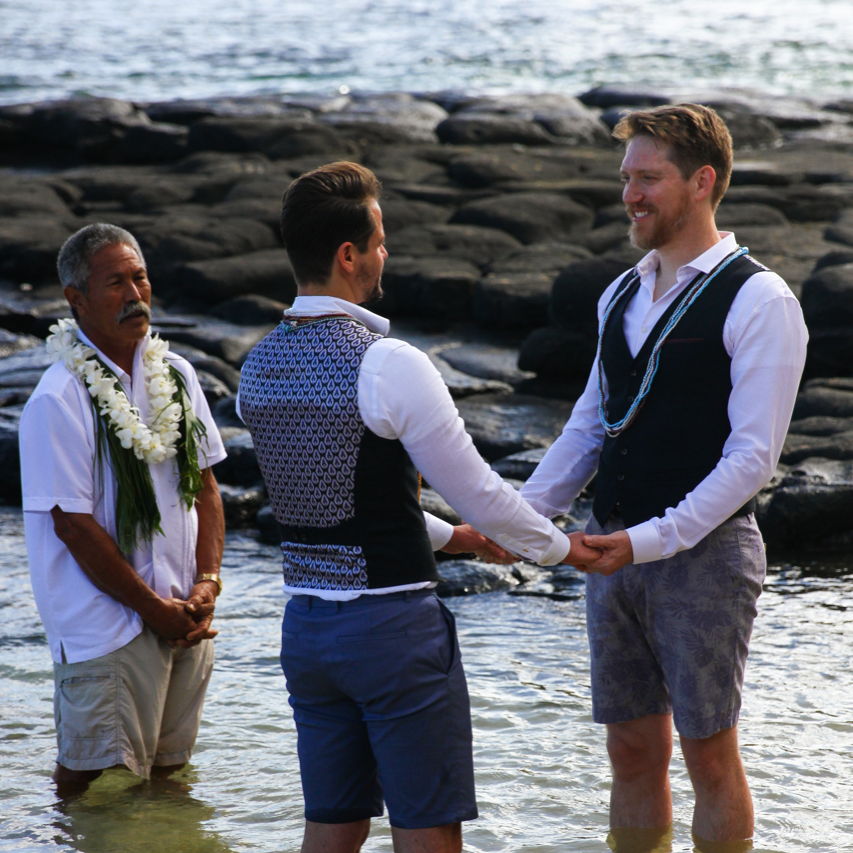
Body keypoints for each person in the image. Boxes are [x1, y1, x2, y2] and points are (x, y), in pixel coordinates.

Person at [237, 161, 600, 853]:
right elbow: (481, 491)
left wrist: (458, 539)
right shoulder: (387, 362)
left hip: (306, 630)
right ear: (348, 255)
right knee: (427, 832)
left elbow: (328, 500)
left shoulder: (258, 366)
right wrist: (563, 549)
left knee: (332, 828)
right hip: (391, 630)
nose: (385, 253)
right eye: (378, 241)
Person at [520, 104, 808, 848]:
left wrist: (649, 540)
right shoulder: (617, 292)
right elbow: (589, 424)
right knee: (630, 753)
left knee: (709, 756)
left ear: (701, 182)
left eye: (648, 177)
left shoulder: (759, 298)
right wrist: (517, 520)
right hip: (607, 551)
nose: (630, 194)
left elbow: (752, 460)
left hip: (702, 558)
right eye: (626, 178)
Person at [20, 223, 227, 797]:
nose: (136, 293)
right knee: (87, 777)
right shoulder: (58, 397)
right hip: (106, 627)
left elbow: (205, 486)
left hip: (185, 614)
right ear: (76, 299)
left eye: (140, 277)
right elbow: (74, 527)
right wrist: (150, 608)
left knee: (167, 777)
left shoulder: (179, 375)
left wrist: (206, 583)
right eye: (116, 282)